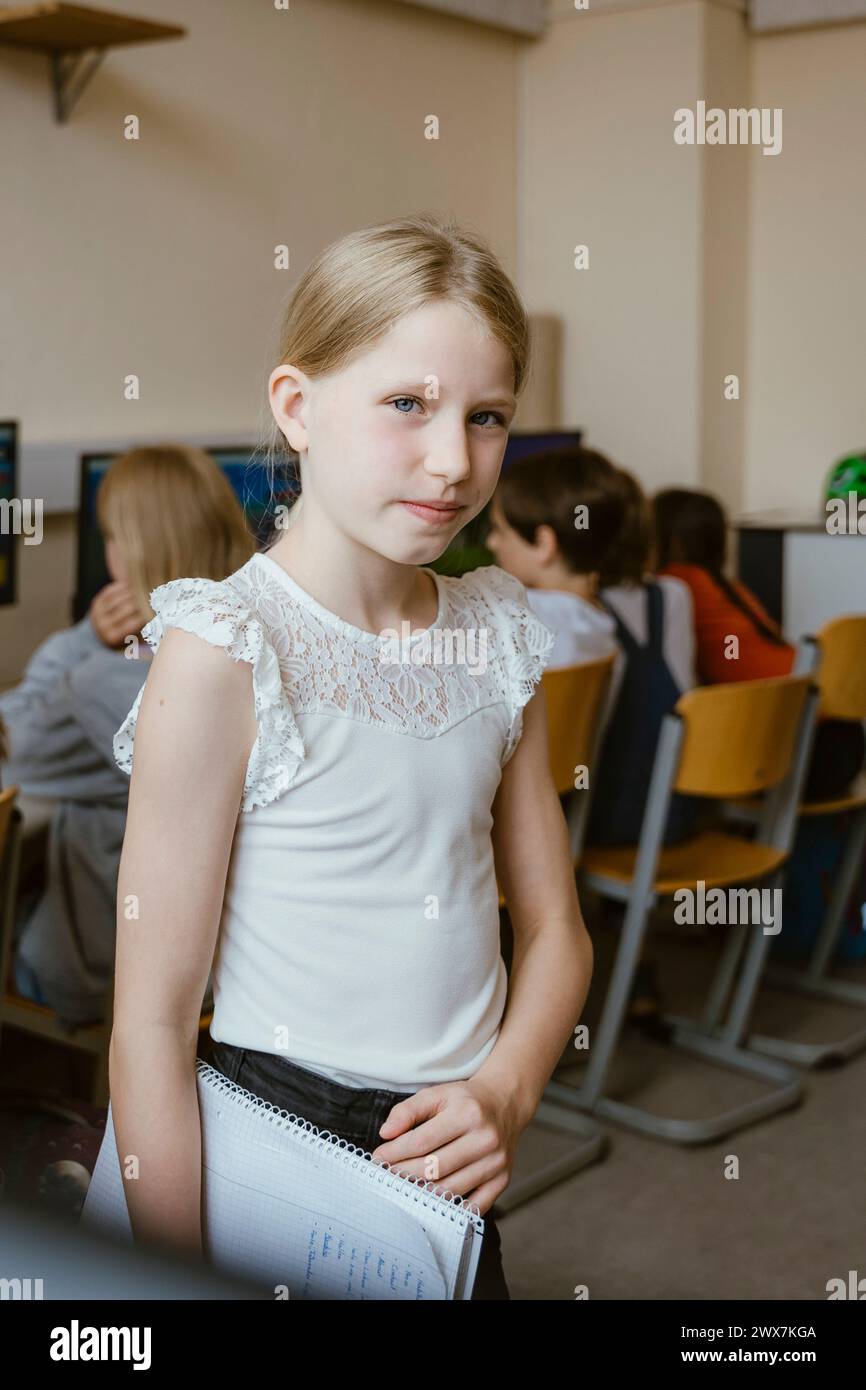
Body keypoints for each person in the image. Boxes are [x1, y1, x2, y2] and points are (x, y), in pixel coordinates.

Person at [104, 214, 594, 1301]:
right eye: (406, 405)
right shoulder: (227, 647)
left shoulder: (497, 631)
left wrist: (506, 1093)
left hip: (450, 1152)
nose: (451, 459)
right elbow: (147, 1022)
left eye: (486, 417)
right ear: (297, 406)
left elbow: (556, 926)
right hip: (271, 1131)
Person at [0, 445, 253, 1026]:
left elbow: (8, 746)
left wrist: (83, 639)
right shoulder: (243, 642)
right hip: (222, 975)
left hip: (104, 977)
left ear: (129, 553)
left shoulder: (103, 682)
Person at [653, 486, 865, 799]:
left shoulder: (673, 588)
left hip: (803, 745)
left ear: (668, 542)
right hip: (841, 734)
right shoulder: (732, 591)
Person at [484, 444, 624, 669]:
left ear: (543, 544)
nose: (491, 542)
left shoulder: (519, 616)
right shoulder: (601, 622)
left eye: (499, 529)